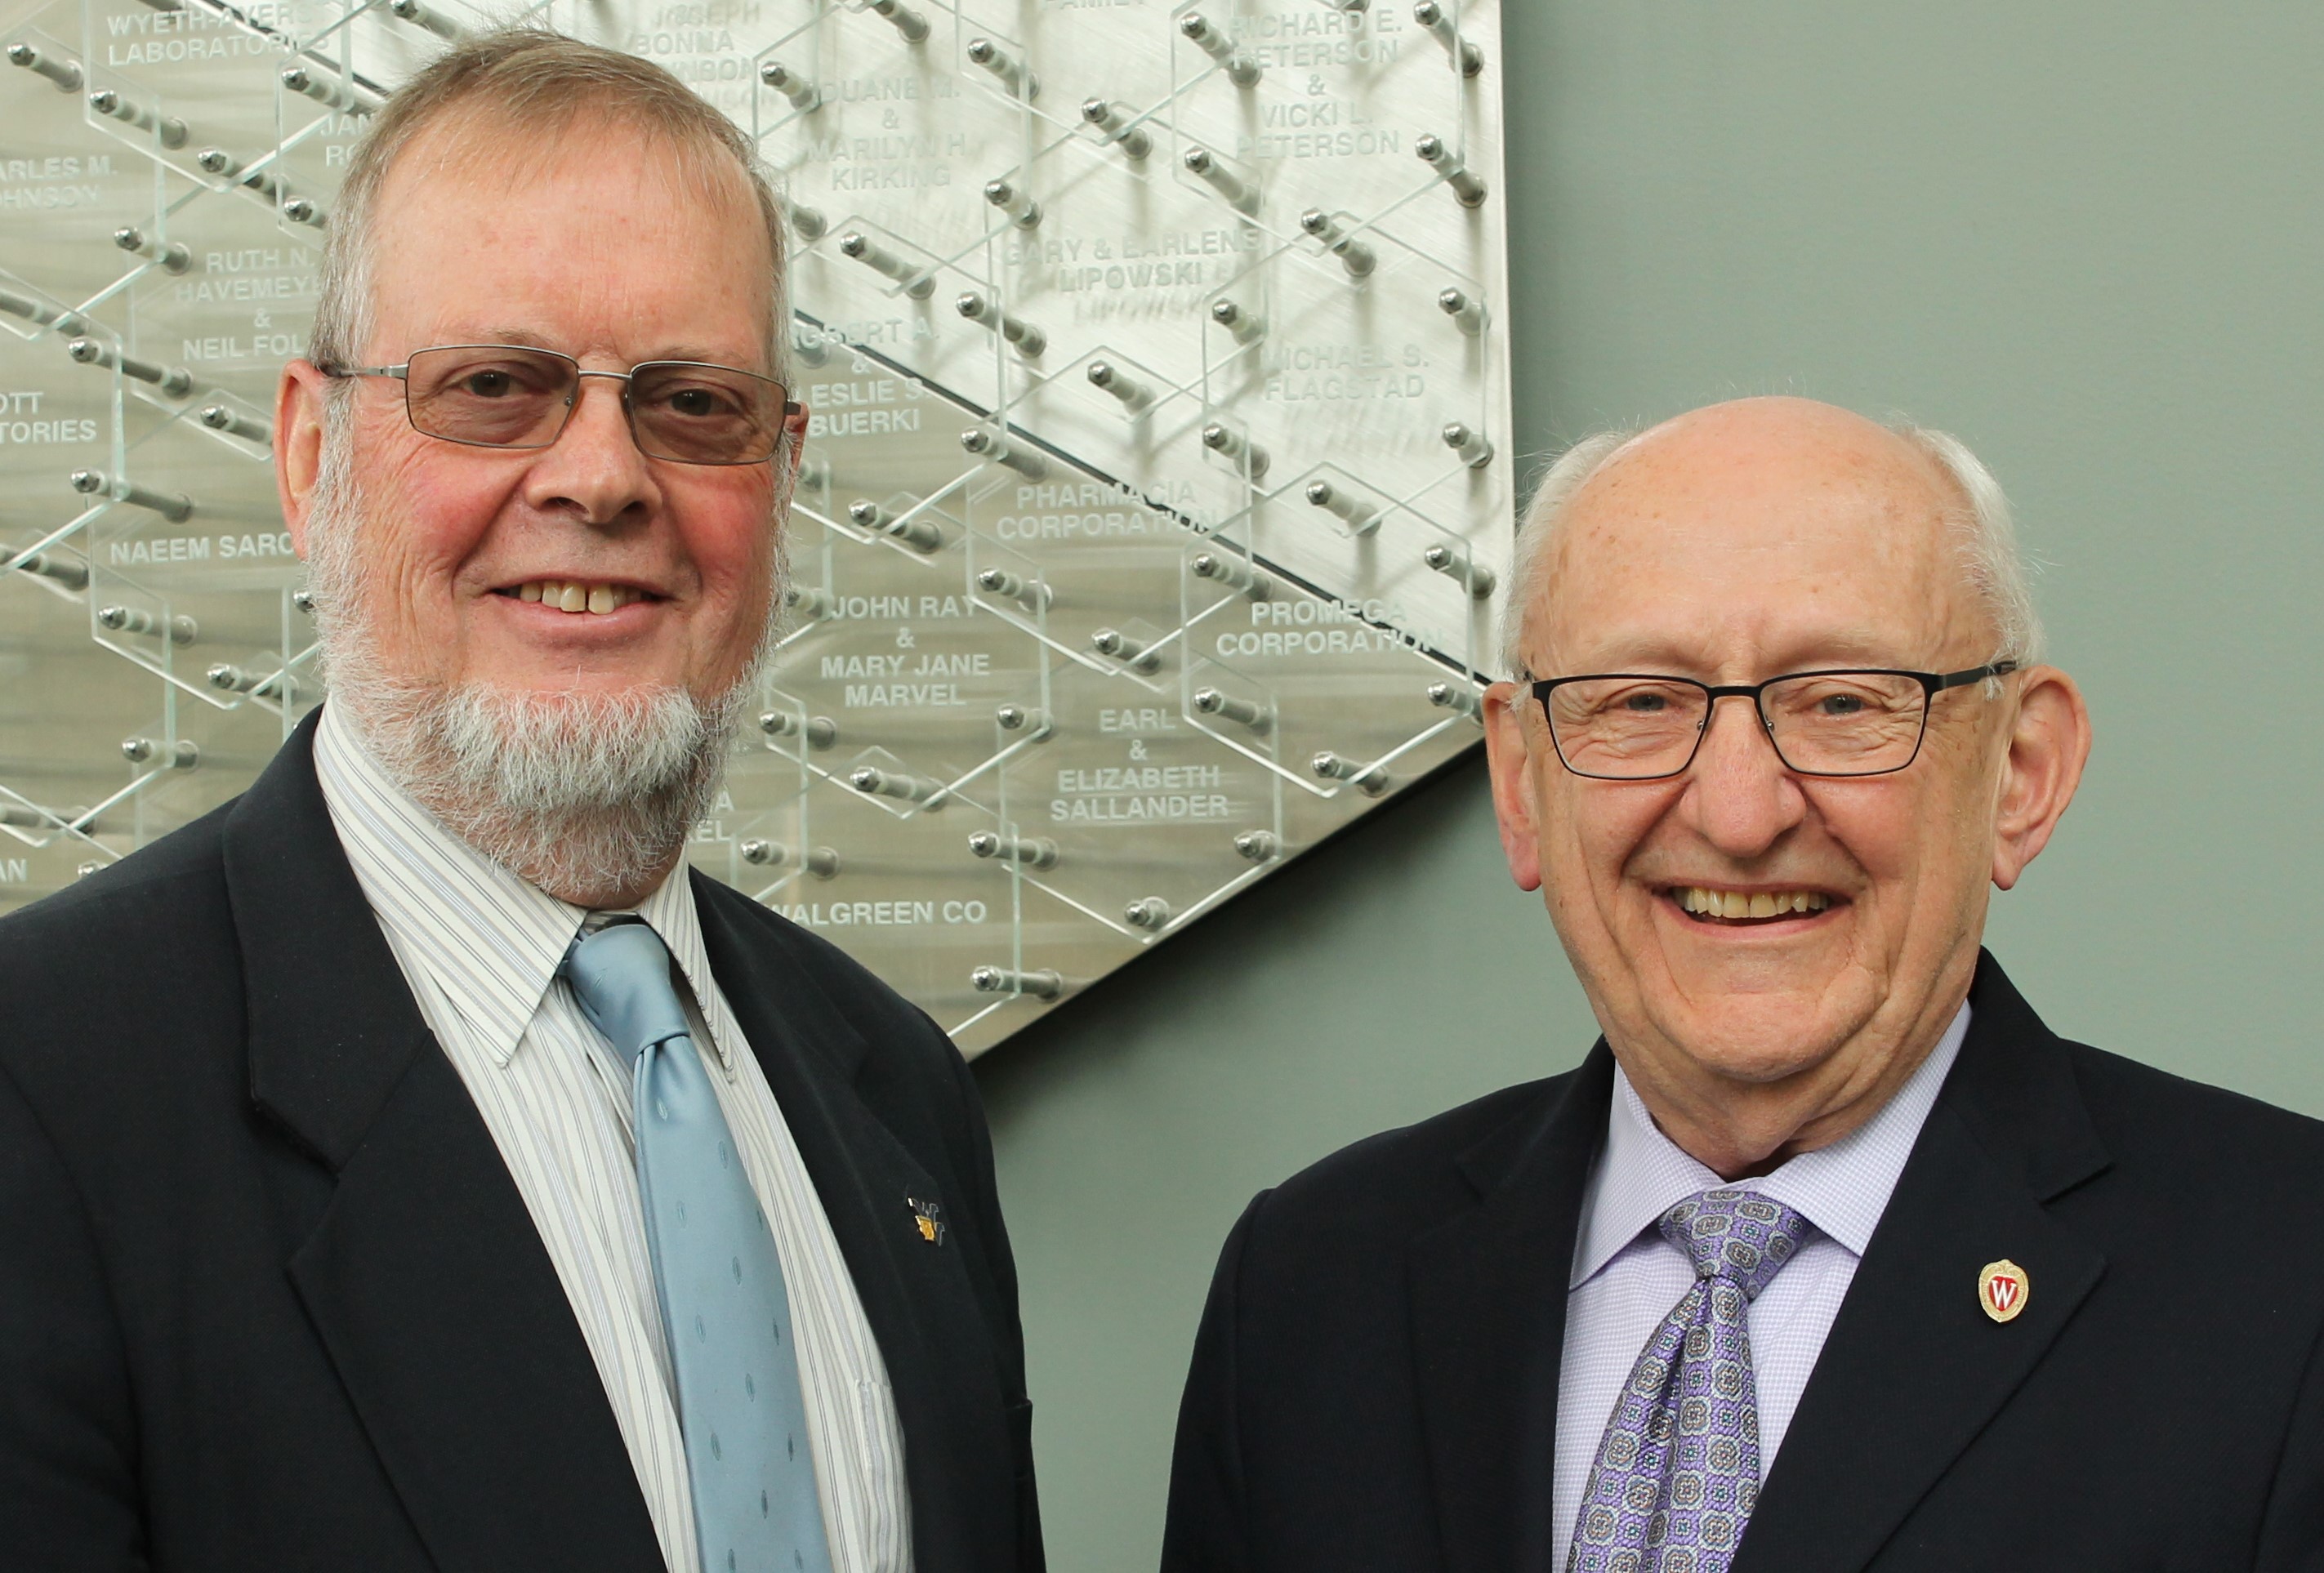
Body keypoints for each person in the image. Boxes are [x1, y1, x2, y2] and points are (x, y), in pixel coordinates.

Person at [0, 30, 1041, 1573]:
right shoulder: (42, 1091)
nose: (604, 478)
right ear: (308, 453)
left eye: (694, 404)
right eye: (494, 387)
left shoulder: (894, 1090)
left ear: (784, 474)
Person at [1161, 397, 2324, 1571]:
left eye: (1841, 701)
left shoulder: (2289, 1285)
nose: (1736, 812)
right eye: (1640, 702)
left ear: (2019, 774)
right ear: (1520, 785)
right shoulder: (1312, 1286)